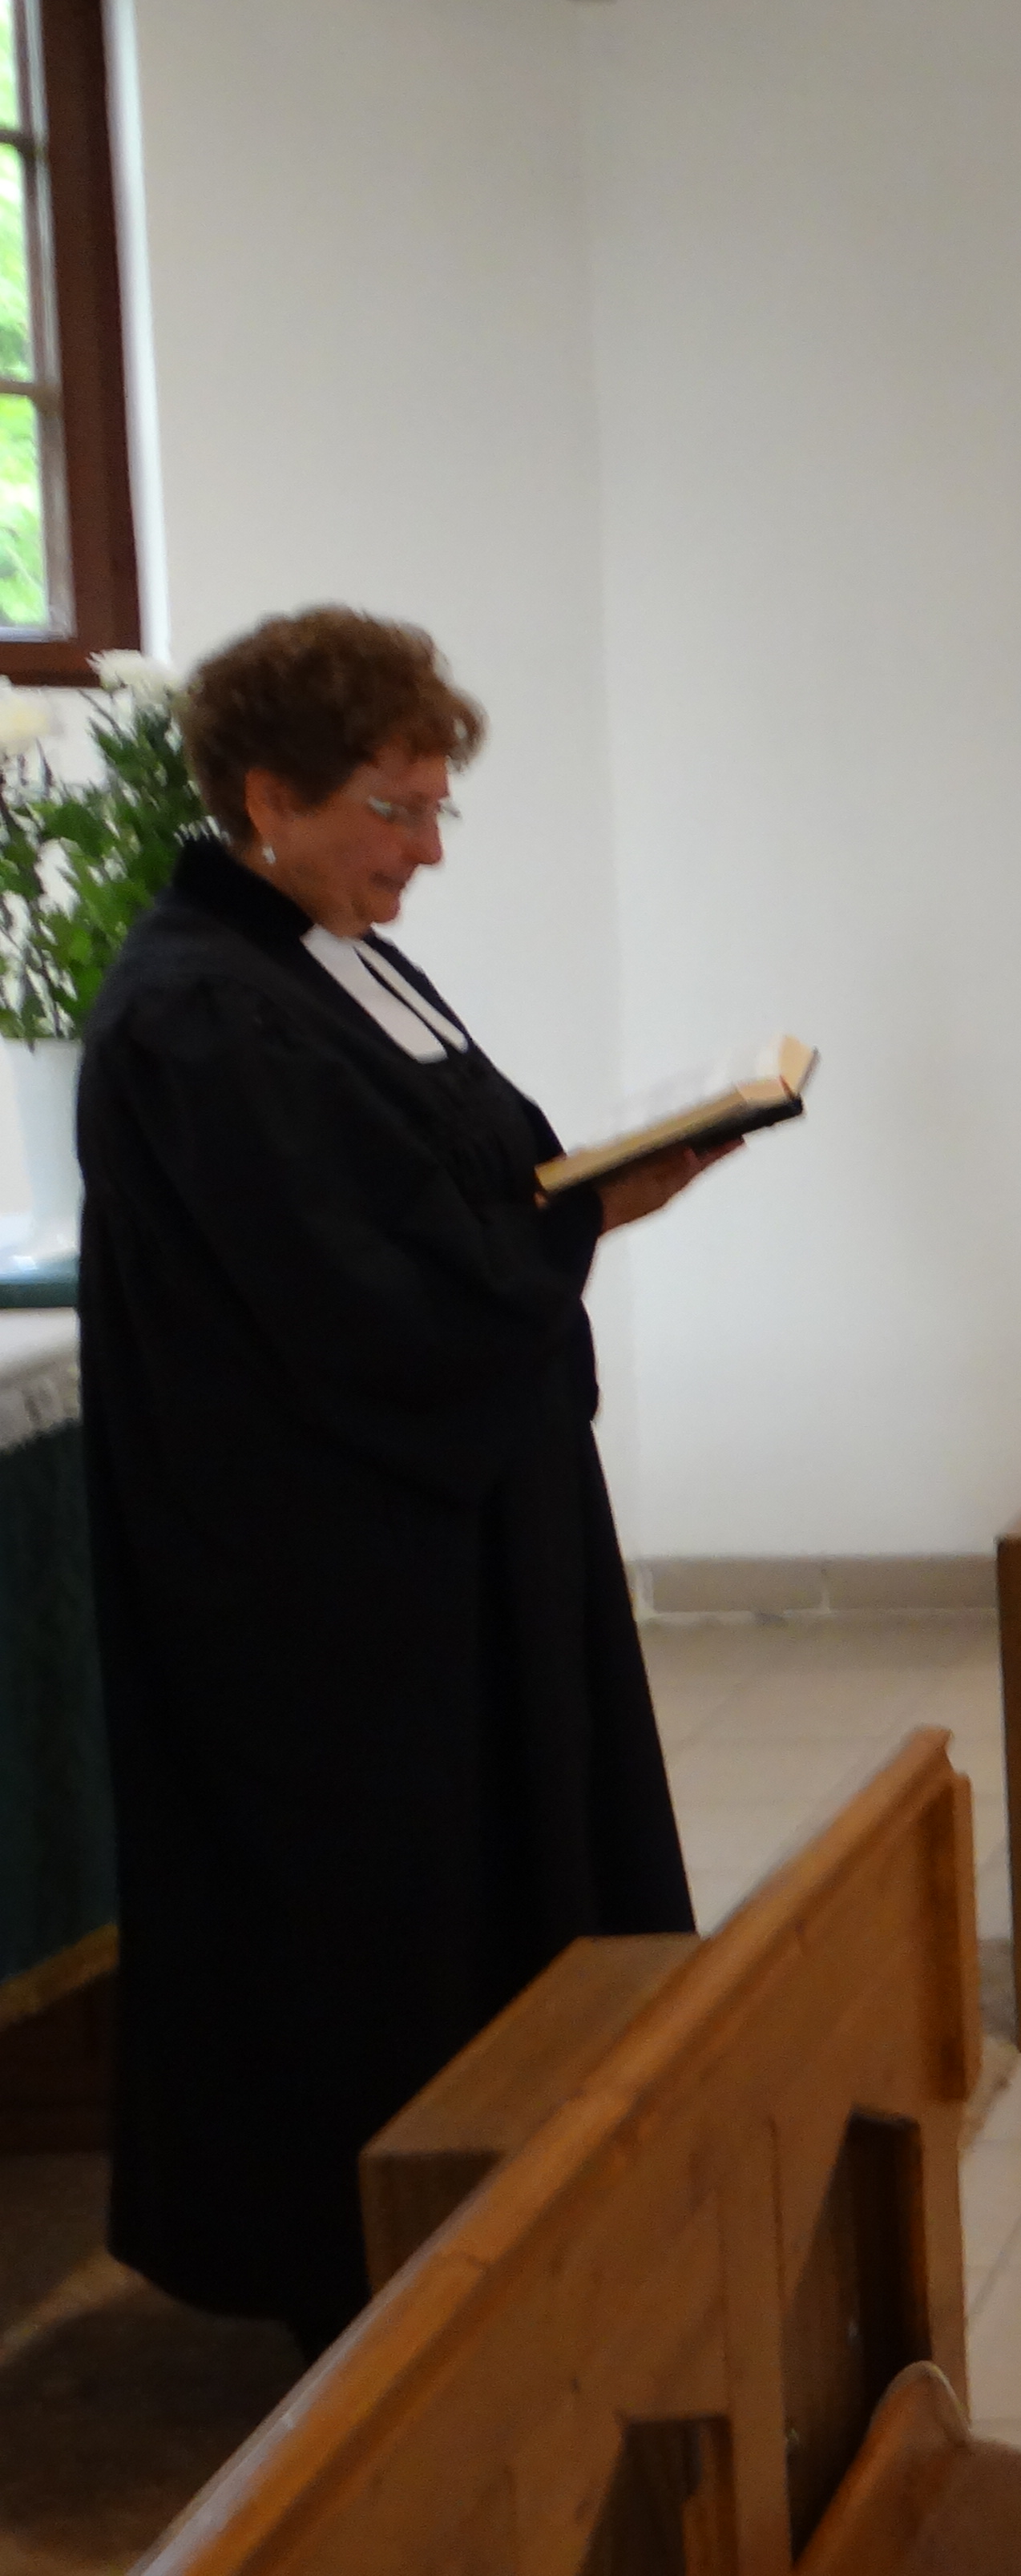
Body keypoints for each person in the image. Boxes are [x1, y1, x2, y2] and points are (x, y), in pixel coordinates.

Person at [81, 607, 732, 2355]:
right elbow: (354, 1295)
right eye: (395, 810)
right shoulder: (197, 1012)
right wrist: (577, 1223)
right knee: (382, 1926)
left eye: (440, 809)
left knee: (520, 1869)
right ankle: (374, 2290)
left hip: (464, 1525)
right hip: (332, 1581)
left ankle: (534, 2211)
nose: (426, 851)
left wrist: (588, 1193)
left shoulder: (332, 960)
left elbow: (468, 1181)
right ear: (266, 798)